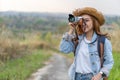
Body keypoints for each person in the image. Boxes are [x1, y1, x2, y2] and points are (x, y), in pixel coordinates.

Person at [59, 7, 114, 80]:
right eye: (82, 21)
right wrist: (71, 30)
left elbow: (109, 63)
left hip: (92, 77)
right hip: (75, 76)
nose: (83, 23)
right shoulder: (77, 39)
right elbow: (63, 49)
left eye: (87, 20)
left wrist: (100, 75)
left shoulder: (103, 41)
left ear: (94, 22)